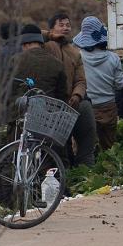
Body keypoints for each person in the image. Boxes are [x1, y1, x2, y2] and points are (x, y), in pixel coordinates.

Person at [45, 12, 96, 166]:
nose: (65, 28)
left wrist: (77, 95)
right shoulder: (45, 45)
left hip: (71, 102)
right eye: (61, 25)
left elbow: (81, 80)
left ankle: (85, 169)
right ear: (52, 28)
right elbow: (28, 35)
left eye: (68, 25)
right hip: (51, 103)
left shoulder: (74, 52)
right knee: (60, 145)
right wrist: (51, 35)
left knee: (86, 112)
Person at [74, 16, 123, 151]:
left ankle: (86, 168)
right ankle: (109, 169)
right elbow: (120, 84)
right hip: (108, 106)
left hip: (87, 107)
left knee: (85, 145)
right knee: (108, 146)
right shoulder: (113, 58)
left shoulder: (78, 57)